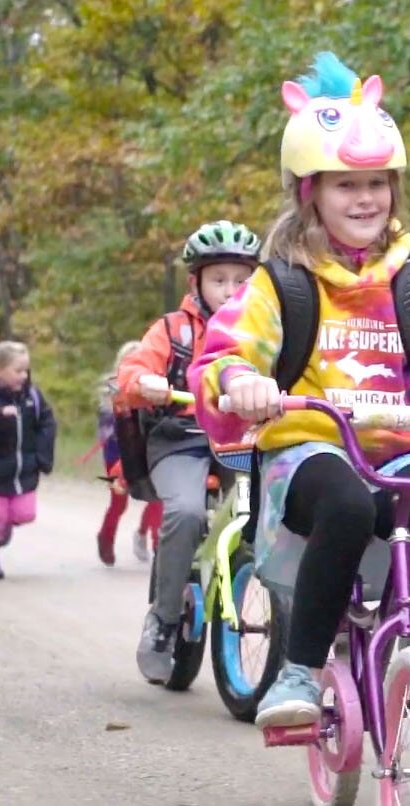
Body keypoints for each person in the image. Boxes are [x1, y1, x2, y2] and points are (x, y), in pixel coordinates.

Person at [188, 52, 410, 732]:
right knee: (347, 504)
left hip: (403, 447)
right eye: (345, 185)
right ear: (311, 193)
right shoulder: (284, 282)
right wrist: (240, 382)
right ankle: (298, 668)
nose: (365, 199)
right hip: (311, 449)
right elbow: (229, 350)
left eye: (378, 184)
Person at [118, 220, 259, 683]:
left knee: (286, 510)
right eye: (219, 279)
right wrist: (146, 383)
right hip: (182, 437)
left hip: (244, 438)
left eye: (242, 281)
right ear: (195, 281)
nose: (231, 290)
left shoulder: (265, 329)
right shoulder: (173, 330)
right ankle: (162, 621)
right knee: (185, 512)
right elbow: (132, 372)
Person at [0, 341, 56, 580]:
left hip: (25, 469)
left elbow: (47, 423)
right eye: (18, 370)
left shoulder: (32, 396)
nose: (23, 376)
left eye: (26, 370)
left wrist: (42, 457)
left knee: (25, 514)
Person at [93, 340, 162, 567]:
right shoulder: (112, 395)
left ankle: (156, 544)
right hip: (117, 457)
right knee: (118, 502)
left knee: (158, 499)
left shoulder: (155, 391)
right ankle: (105, 537)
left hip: (147, 454)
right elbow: (110, 437)